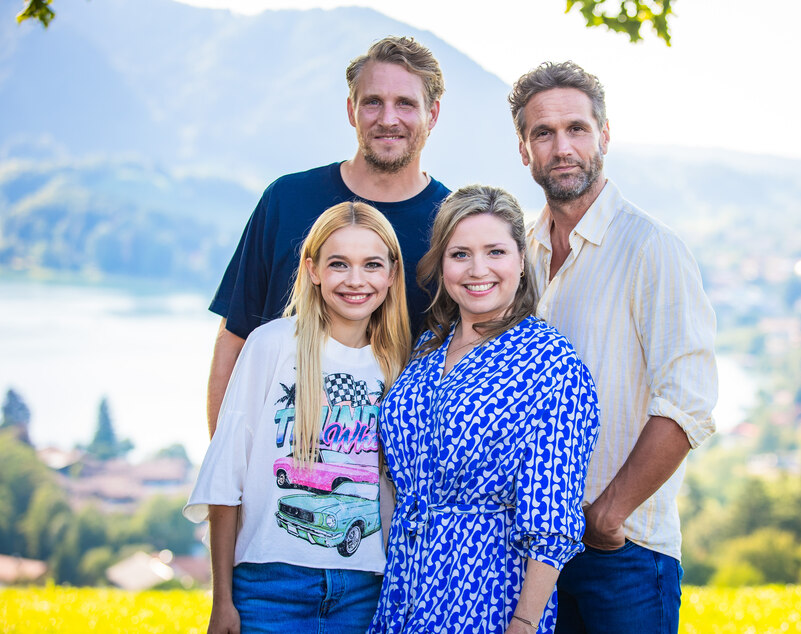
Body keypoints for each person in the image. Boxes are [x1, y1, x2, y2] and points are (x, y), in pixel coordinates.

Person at [508, 62, 718, 633]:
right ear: (524, 150)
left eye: (577, 128)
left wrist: (609, 512)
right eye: (543, 134)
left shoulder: (652, 249)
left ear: (605, 134)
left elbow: (689, 401)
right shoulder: (516, 252)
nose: (562, 147)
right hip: (526, 556)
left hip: (622, 552)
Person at [368, 185, 600, 634]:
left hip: (486, 598)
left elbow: (553, 524)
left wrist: (524, 623)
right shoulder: (427, 348)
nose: (478, 270)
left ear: (520, 258)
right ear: (442, 263)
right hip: (403, 592)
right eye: (460, 254)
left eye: (495, 251)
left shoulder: (551, 364)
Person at [184, 202, 412, 633]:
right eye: (339, 264)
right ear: (313, 269)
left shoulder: (398, 365)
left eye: (372, 265)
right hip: (269, 587)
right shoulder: (270, 346)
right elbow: (225, 476)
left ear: (392, 274)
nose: (356, 280)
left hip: (366, 590)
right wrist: (222, 601)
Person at [206, 35, 451, 438]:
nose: (388, 118)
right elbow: (235, 339)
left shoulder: (452, 226)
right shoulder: (287, 199)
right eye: (373, 101)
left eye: (405, 103)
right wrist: (223, 476)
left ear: (433, 114)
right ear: (352, 111)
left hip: (390, 481)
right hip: (275, 459)